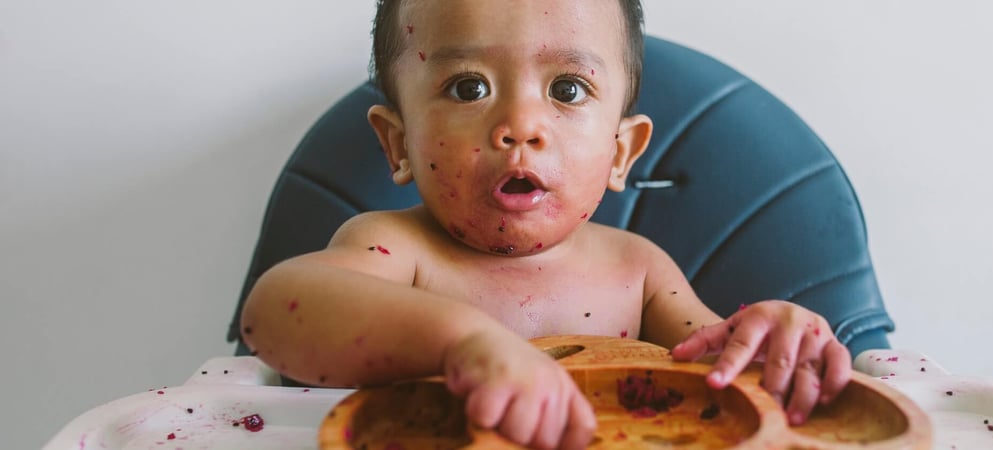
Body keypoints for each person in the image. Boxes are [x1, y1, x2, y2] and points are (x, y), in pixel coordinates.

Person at [240, 0, 851, 448]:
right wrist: (462, 344)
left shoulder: (637, 270)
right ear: (398, 144)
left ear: (620, 152)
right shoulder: (397, 252)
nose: (520, 124)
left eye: (567, 87)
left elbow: (715, 363)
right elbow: (273, 313)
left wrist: (767, 337)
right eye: (468, 86)